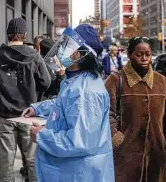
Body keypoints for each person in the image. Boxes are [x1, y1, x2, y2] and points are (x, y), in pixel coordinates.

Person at [22, 24, 114, 182]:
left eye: (68, 45)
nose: (62, 49)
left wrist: (42, 136)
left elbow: (80, 142)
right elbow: (63, 103)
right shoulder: (76, 81)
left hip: (79, 173)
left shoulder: (86, 91)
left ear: (80, 54)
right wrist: (38, 108)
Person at [0, 18, 51, 182]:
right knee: (33, 161)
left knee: (6, 164)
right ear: (24, 34)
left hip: (6, 116)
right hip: (29, 115)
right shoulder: (34, 55)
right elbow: (46, 82)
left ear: (8, 34)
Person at [105, 37, 166, 182]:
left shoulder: (161, 81)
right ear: (130, 54)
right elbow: (106, 114)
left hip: (156, 158)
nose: (144, 58)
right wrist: (117, 139)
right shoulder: (115, 80)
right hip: (125, 158)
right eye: (139, 55)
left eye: (148, 54)